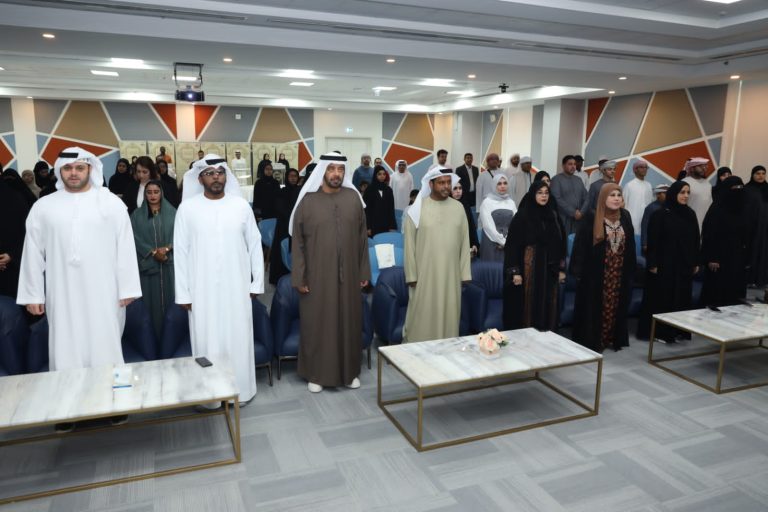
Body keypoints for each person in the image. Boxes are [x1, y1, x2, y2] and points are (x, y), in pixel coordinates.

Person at [17, 148, 141, 376]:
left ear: (90, 169)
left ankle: (108, 394)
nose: (73, 173)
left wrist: (128, 287)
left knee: (104, 344)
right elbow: (32, 252)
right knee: (65, 344)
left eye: (79, 168)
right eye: (67, 168)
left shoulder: (111, 203)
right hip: (62, 291)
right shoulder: (43, 206)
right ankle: (68, 394)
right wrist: (33, 294)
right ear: (59, 170)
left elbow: (125, 247)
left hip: (105, 291)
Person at [174, 155, 263, 404]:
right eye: (210, 173)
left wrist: (256, 283)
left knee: (238, 338)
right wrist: (183, 293)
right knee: (206, 340)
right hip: (201, 290)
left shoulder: (241, 206)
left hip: (237, 287)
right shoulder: (187, 209)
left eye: (220, 172)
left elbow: (255, 245)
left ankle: (240, 391)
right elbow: (180, 252)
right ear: (199, 178)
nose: (216, 177)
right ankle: (209, 396)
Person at [289, 152, 370, 393]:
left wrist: (363, 271)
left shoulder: (354, 199)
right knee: (318, 323)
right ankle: (316, 374)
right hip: (317, 277)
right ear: (323, 171)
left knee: (349, 322)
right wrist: (299, 276)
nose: (336, 174)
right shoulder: (308, 202)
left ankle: (349, 372)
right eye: (331, 169)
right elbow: (297, 243)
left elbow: (362, 240)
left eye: (340, 169)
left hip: (350, 276)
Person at [403, 168, 471, 342]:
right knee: (421, 314)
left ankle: (447, 350)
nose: (446, 186)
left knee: (450, 313)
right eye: (441, 182)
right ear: (431, 184)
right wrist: (411, 275)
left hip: (451, 275)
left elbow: (465, 242)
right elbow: (409, 245)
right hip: (424, 274)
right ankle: (417, 349)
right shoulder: (416, 209)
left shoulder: (458, 208)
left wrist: (465, 273)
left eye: (448, 182)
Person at [570, 184, 636, 353]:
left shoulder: (625, 216)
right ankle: (594, 340)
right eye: (612, 195)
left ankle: (611, 338)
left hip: (618, 271)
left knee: (615, 305)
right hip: (596, 273)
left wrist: (631, 270)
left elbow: (631, 246)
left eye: (619, 195)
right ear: (602, 198)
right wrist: (578, 271)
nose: (616, 198)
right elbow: (580, 246)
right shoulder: (592, 217)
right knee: (594, 306)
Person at [638, 181, 700, 342]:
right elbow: (653, 241)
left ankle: (678, 331)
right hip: (664, 265)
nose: (686, 196)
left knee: (681, 298)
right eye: (682, 192)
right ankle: (660, 332)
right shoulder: (660, 214)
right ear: (674, 193)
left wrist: (695, 262)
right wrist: (652, 263)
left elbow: (695, 239)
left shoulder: (690, 214)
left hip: (684, 265)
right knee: (662, 299)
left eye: (688, 192)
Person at [503, 181, 566, 330]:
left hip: (549, 268)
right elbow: (512, 246)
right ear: (533, 194)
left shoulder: (553, 215)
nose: (544, 196)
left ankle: (546, 335)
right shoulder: (522, 216)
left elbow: (561, 243)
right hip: (529, 267)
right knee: (528, 302)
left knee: (548, 303)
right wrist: (515, 272)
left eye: (546, 193)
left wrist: (561, 269)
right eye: (540, 193)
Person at [130, 180, 175, 340]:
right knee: (150, 305)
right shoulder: (136, 216)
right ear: (145, 194)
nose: (153, 195)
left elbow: (181, 234)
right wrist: (152, 252)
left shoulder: (173, 213)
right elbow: (133, 238)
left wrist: (167, 248)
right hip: (147, 269)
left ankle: (170, 340)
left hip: (168, 266)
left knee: (171, 303)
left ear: (161, 193)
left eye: (156, 192)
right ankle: (151, 341)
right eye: (149, 192)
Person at [700, 176, 750, 307]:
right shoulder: (717, 208)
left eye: (741, 187)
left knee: (734, 293)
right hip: (718, 258)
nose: (738, 190)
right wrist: (712, 257)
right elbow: (709, 234)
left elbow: (746, 234)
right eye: (735, 187)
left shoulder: (743, 208)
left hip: (737, 257)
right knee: (716, 292)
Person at [269, 168, 302, 285]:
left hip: (297, 225)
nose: (293, 178)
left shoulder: (300, 191)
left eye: (295, 176)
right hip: (284, 226)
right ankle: (281, 279)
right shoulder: (281, 192)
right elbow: (280, 208)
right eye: (290, 176)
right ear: (287, 178)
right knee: (282, 252)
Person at [0, 178, 29, 298]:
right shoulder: (16, 198)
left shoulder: (15, 199)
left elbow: (28, 233)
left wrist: (11, 256)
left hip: (13, 272)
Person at [479, 174, 517, 262]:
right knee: (491, 268)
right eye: (499, 184)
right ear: (494, 185)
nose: (502, 186)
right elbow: (488, 226)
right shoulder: (487, 202)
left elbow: (515, 223)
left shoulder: (511, 202)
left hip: (509, 241)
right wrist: (503, 241)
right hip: (491, 242)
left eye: (505, 183)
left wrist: (508, 240)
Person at [550, 155, 588, 235]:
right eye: (570, 164)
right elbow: (557, 198)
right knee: (564, 240)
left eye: (574, 164)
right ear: (563, 166)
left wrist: (581, 212)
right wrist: (573, 212)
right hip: (564, 218)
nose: (573, 166)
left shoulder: (578, 180)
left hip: (579, 218)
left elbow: (586, 197)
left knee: (577, 240)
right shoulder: (556, 179)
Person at [745, 165, 768, 288]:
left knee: (764, 253)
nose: (761, 176)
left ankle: (762, 280)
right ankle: (749, 280)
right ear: (752, 175)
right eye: (758, 173)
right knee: (751, 252)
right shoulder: (747, 189)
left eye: (763, 173)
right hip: (751, 228)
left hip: (765, 228)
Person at [363, 165, 397, 236]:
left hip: (386, 225)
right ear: (375, 175)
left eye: (384, 174)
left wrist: (392, 226)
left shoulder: (388, 190)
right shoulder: (369, 190)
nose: (382, 176)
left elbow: (391, 209)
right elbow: (366, 210)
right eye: (379, 174)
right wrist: (368, 227)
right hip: (373, 225)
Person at [623, 160, 654, 234]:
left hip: (646, 219)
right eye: (642, 167)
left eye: (646, 167)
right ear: (635, 170)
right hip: (633, 220)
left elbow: (650, 203)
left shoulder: (649, 185)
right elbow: (624, 204)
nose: (644, 169)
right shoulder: (629, 185)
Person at [682, 157, 712, 231]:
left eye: (705, 166)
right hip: (689, 223)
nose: (704, 169)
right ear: (692, 168)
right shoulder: (685, 182)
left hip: (706, 224)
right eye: (701, 166)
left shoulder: (707, 183)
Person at [451, 182, 479, 256]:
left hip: (466, 243)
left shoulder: (465, 205)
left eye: (460, 188)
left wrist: (474, 243)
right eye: (455, 188)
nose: (458, 191)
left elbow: (471, 225)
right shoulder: (446, 207)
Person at [640, 184, 669, 254]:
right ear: (658, 195)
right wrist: (645, 243)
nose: (668, 195)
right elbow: (645, 225)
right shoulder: (651, 207)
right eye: (665, 193)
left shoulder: (670, 207)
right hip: (654, 242)